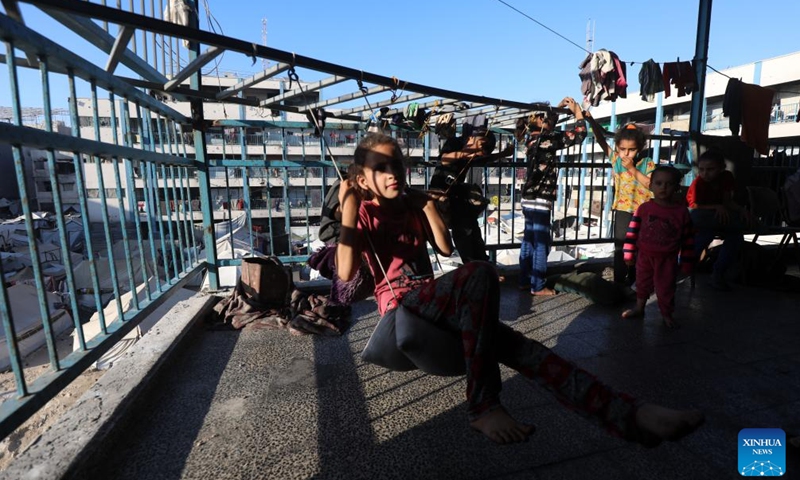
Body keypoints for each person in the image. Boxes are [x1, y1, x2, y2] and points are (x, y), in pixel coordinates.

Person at [337, 133, 704, 445]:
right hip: (403, 305)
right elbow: (345, 272)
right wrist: (350, 210)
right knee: (480, 271)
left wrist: (428, 207)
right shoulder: (364, 211)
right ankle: (483, 405)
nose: (393, 173)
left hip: (437, 301)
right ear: (363, 179)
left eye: (397, 164)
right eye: (380, 168)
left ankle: (632, 414)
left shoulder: (410, 205)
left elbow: (445, 249)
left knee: (528, 351)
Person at [518, 97, 586, 296]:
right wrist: (578, 113)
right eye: (546, 116)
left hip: (528, 197)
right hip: (541, 197)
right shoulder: (546, 140)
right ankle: (538, 285)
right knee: (541, 242)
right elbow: (579, 134)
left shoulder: (531, 138)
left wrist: (557, 108)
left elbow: (548, 124)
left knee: (528, 240)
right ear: (540, 119)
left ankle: (525, 280)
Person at [584, 113, 655, 286]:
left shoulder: (647, 163)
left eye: (631, 150)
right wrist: (591, 120)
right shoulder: (616, 160)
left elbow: (650, 184)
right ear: (617, 147)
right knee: (620, 246)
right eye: (622, 149)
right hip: (623, 209)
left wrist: (632, 169)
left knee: (640, 246)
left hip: (644, 211)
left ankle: (636, 279)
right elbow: (600, 140)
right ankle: (619, 281)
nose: (626, 153)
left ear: (640, 148)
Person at [621, 166, 695, 328]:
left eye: (669, 184)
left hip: (668, 259)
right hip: (644, 256)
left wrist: (687, 262)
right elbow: (632, 232)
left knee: (666, 288)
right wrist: (628, 252)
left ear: (677, 187)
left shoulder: (681, 212)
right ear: (651, 186)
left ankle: (666, 314)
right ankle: (639, 307)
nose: (663, 187)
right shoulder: (644, 209)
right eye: (659, 183)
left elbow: (688, 240)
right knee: (642, 283)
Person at [430, 129, 514, 265]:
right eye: (482, 144)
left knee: (471, 224)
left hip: (457, 193)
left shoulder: (474, 153)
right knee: (463, 227)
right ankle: (471, 261)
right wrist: (469, 152)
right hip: (441, 192)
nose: (481, 150)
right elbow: (444, 159)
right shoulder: (455, 142)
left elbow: (485, 159)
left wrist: (502, 154)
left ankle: (480, 260)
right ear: (473, 137)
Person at [686, 148, 751, 290]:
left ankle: (718, 273)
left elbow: (727, 201)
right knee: (704, 236)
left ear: (721, 168)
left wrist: (741, 209)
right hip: (703, 219)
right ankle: (685, 267)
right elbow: (694, 206)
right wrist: (716, 207)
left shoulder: (726, 178)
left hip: (721, 220)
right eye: (701, 169)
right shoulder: (698, 183)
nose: (705, 173)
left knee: (736, 238)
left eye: (710, 169)